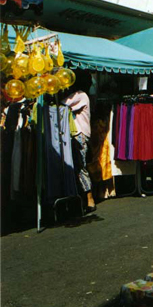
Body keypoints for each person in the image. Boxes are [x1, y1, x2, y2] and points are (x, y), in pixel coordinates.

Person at [62, 71, 96, 214]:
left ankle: (89, 198)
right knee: (78, 166)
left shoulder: (80, 95)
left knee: (79, 166)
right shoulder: (83, 95)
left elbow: (64, 103)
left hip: (79, 134)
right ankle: (83, 198)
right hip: (81, 133)